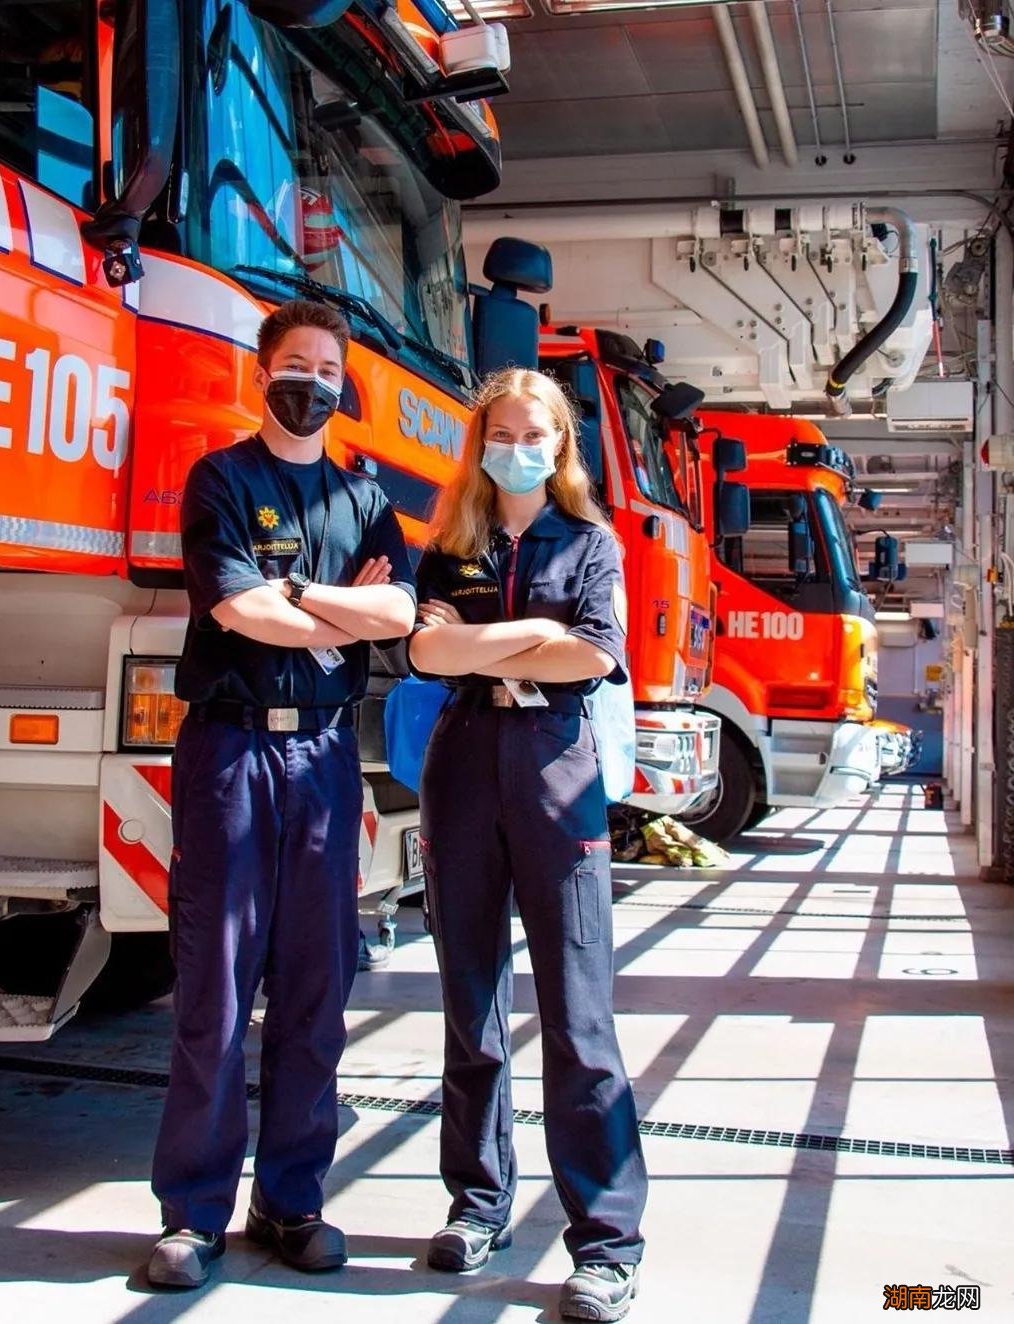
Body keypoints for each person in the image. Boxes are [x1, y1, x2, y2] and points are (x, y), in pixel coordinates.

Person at [147, 300, 416, 1290]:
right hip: (231, 757)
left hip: (325, 760)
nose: (313, 381)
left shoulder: (362, 496)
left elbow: (398, 611)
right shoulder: (221, 478)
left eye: (329, 369)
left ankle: (293, 1198)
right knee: (215, 987)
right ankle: (194, 1211)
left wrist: (299, 596)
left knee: (316, 985)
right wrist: (329, 608)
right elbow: (238, 610)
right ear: (264, 376)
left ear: (345, 387)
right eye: (296, 363)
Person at [408, 369, 647, 1322]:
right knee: (470, 1006)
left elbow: (593, 653)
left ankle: (607, 1244)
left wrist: (483, 641)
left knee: (578, 1017)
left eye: (533, 431)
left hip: (557, 770)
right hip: (463, 764)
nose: (517, 444)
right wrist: (529, 633)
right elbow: (426, 654)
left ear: (559, 445)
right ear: (481, 444)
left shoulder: (590, 541)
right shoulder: (450, 546)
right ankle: (477, 1203)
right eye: (500, 430)